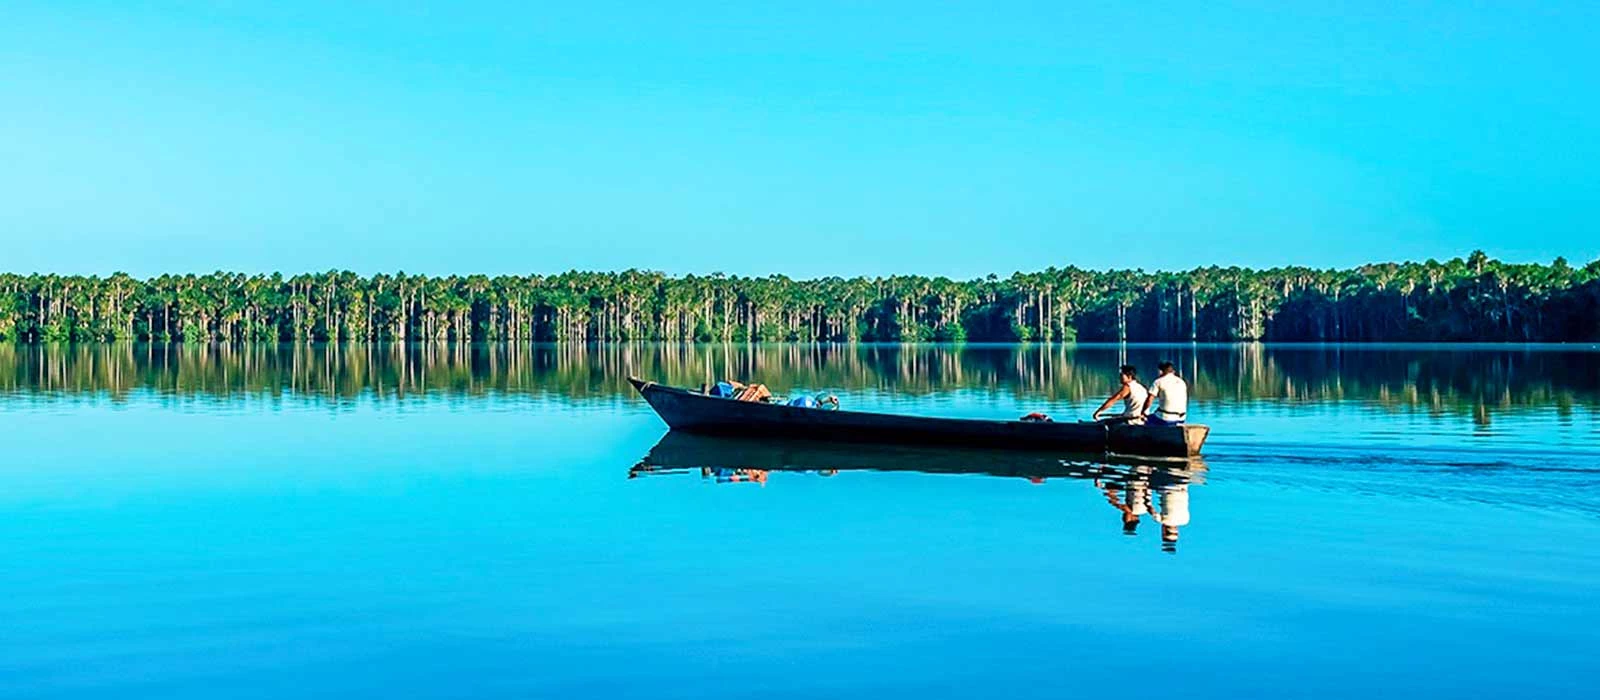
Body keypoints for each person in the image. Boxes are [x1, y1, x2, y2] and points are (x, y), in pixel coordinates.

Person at [1142, 361, 1189, 426]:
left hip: (1166, 418)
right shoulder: (1182, 382)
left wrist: (1143, 411)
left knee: (1146, 419)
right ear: (1173, 371)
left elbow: (1149, 400)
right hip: (1182, 418)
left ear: (1161, 371)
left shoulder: (1158, 381)